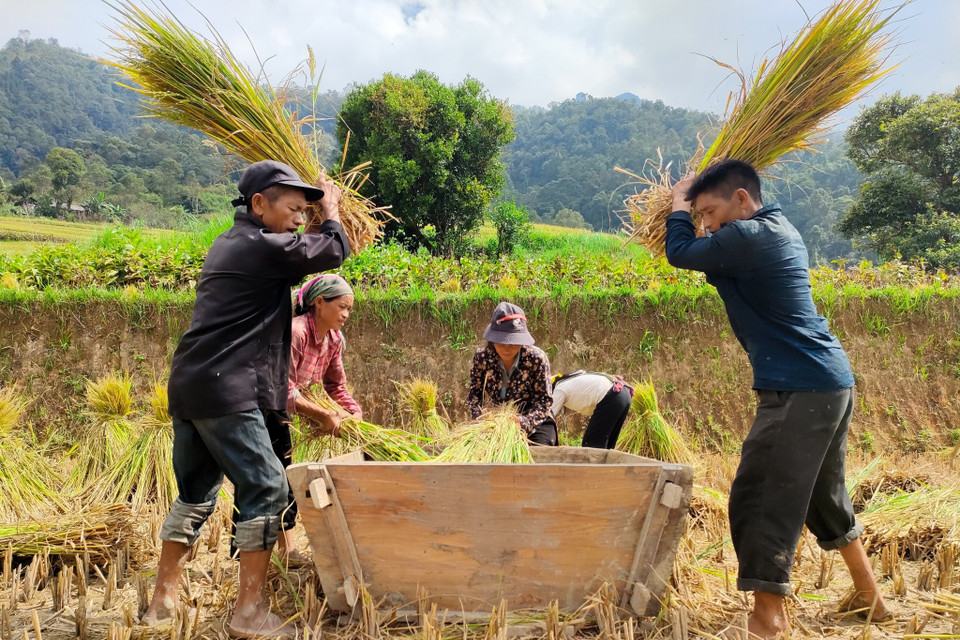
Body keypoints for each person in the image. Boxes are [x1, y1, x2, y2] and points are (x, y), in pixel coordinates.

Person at [665, 159, 888, 638]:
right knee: (823, 497)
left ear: (741, 200)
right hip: (828, 382)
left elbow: (681, 252)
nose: (705, 224)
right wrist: (696, 210)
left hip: (800, 387)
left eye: (709, 211)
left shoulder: (750, 237)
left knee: (762, 495)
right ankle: (871, 596)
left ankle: (767, 620)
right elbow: (706, 255)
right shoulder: (775, 231)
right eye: (700, 215)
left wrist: (678, 204)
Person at [142, 160, 349, 639]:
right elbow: (334, 248)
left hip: (193, 385)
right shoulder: (258, 245)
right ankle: (249, 613)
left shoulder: (233, 244)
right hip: (226, 389)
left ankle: (162, 603)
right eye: (294, 209)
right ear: (259, 204)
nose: (301, 218)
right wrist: (332, 207)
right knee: (269, 491)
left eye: (307, 210)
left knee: (195, 493)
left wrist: (314, 211)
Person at [467, 301, 556, 445]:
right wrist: (480, 417)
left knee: (539, 456)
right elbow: (474, 396)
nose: (507, 348)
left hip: (535, 421)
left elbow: (544, 401)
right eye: (501, 343)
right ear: (493, 340)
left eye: (514, 343)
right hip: (498, 420)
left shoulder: (537, 359)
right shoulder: (483, 357)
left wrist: (523, 422)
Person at [550, 371, 632, 449]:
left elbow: (547, 418)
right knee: (607, 447)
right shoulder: (570, 379)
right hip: (624, 394)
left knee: (592, 446)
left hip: (612, 395)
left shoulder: (559, 390)